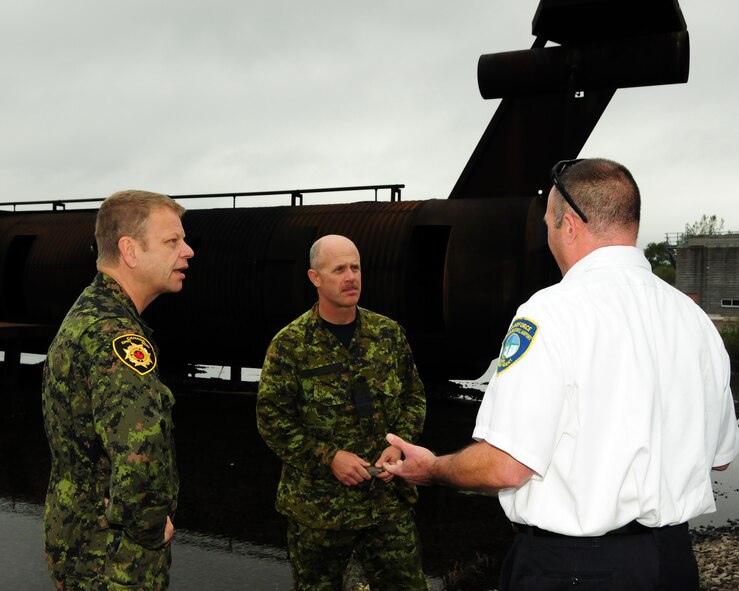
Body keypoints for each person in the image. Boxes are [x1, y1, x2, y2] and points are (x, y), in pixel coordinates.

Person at [383, 158, 739, 590]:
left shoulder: (550, 313)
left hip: (575, 569)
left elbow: (506, 466)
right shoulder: (693, 318)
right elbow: (720, 458)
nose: (548, 237)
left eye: (548, 225)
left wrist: (434, 468)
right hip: (673, 564)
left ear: (569, 224)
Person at [42, 190, 194, 590]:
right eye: (172, 241)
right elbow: (138, 454)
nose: (188, 251)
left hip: (80, 538)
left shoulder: (90, 312)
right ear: (130, 250)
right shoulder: (116, 335)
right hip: (113, 560)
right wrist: (147, 527)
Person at [256, 234, 427, 590]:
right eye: (338, 270)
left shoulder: (388, 335)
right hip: (319, 510)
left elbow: (414, 398)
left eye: (355, 267)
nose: (351, 277)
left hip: (387, 504)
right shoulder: (290, 345)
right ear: (315, 278)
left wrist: (400, 444)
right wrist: (328, 457)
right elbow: (272, 420)